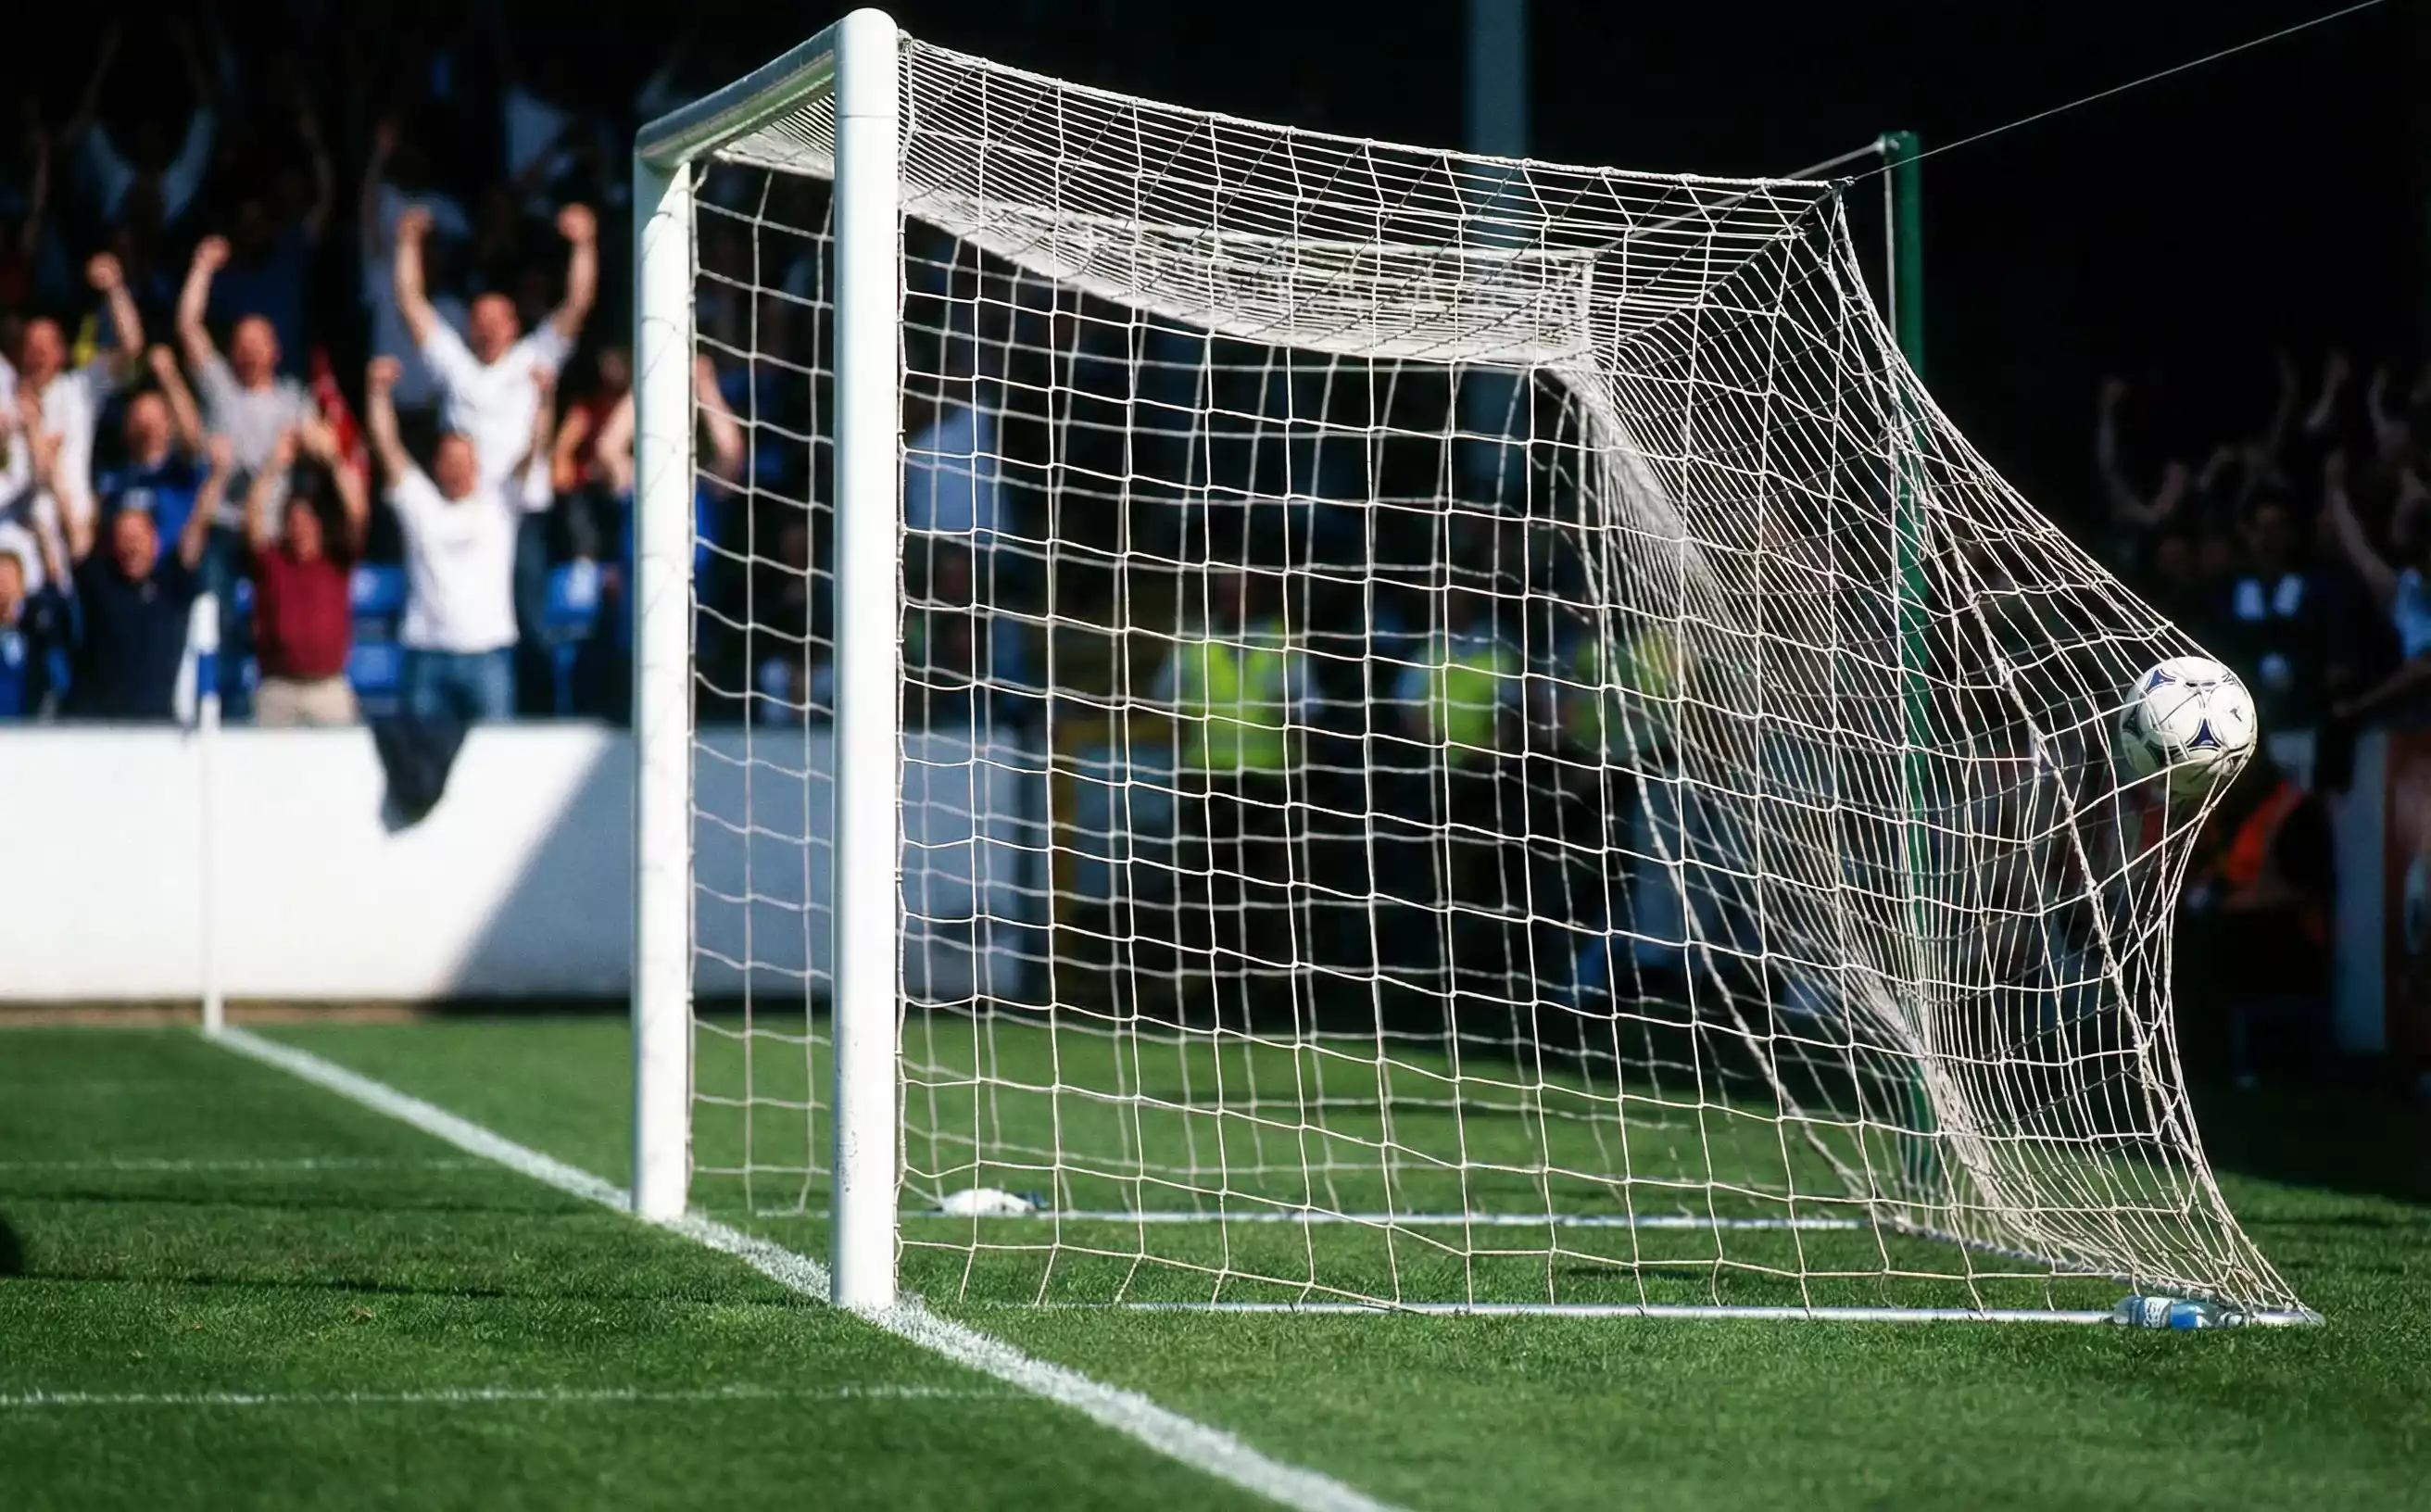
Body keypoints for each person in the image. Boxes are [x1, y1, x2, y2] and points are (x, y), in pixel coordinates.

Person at [1151, 567, 1312, 1024]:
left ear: (1257, 595)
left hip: (1266, 781)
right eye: (1225, 590)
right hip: (1208, 781)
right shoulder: (1195, 645)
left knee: (1267, 891)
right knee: (1210, 890)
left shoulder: (1284, 644)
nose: (1232, 598)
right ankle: (1214, 987)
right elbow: (1164, 703)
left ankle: (1266, 989)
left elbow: (1308, 709)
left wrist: (1290, 720)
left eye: (1240, 590)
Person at [364, 356, 526, 723]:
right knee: (419, 767)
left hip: (487, 655)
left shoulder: (499, 504)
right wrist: (377, 392)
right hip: (427, 656)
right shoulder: (419, 502)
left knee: (496, 761)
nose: (455, 470)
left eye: (463, 461)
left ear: (477, 467)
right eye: (448, 461)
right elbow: (386, 445)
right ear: (436, 466)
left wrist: (545, 399)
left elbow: (533, 452)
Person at [2181, 750, 2333, 1087]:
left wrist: (2235, 901)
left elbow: (2301, 887)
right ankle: (2193, 1052)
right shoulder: (2230, 814)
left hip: (2286, 928)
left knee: (2222, 934)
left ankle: (2237, 1061)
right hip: (2240, 915)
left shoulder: (2295, 811)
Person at [67, 435, 227, 720]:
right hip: (97, 730)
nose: (131, 546)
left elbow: (196, 531)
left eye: (137, 537)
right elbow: (76, 537)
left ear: (154, 541)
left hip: (156, 730)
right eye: (124, 538)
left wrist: (215, 479)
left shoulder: (170, 584)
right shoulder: (101, 582)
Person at [17, 251, 145, 544]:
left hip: (72, 527)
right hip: (18, 530)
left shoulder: (79, 387)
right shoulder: (7, 397)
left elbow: (132, 347)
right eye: (31, 346)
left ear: (62, 353)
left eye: (45, 347)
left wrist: (115, 289)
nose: (37, 355)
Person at [246, 422, 368, 726]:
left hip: (327, 688)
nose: (299, 527)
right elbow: (253, 517)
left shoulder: (336, 560)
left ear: (319, 524)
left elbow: (357, 512)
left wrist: (333, 458)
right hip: (278, 689)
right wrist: (274, 464)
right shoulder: (274, 561)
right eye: (293, 520)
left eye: (306, 519)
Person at [2320, 451, 2431, 724]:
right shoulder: (2406, 590)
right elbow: (2356, 546)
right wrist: (2335, 491)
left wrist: (2360, 707)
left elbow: (2425, 670)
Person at [0, 537, 70, 719]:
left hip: (29, 733)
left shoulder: (37, 637)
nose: (3, 588)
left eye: (8, 579)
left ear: (21, 585)